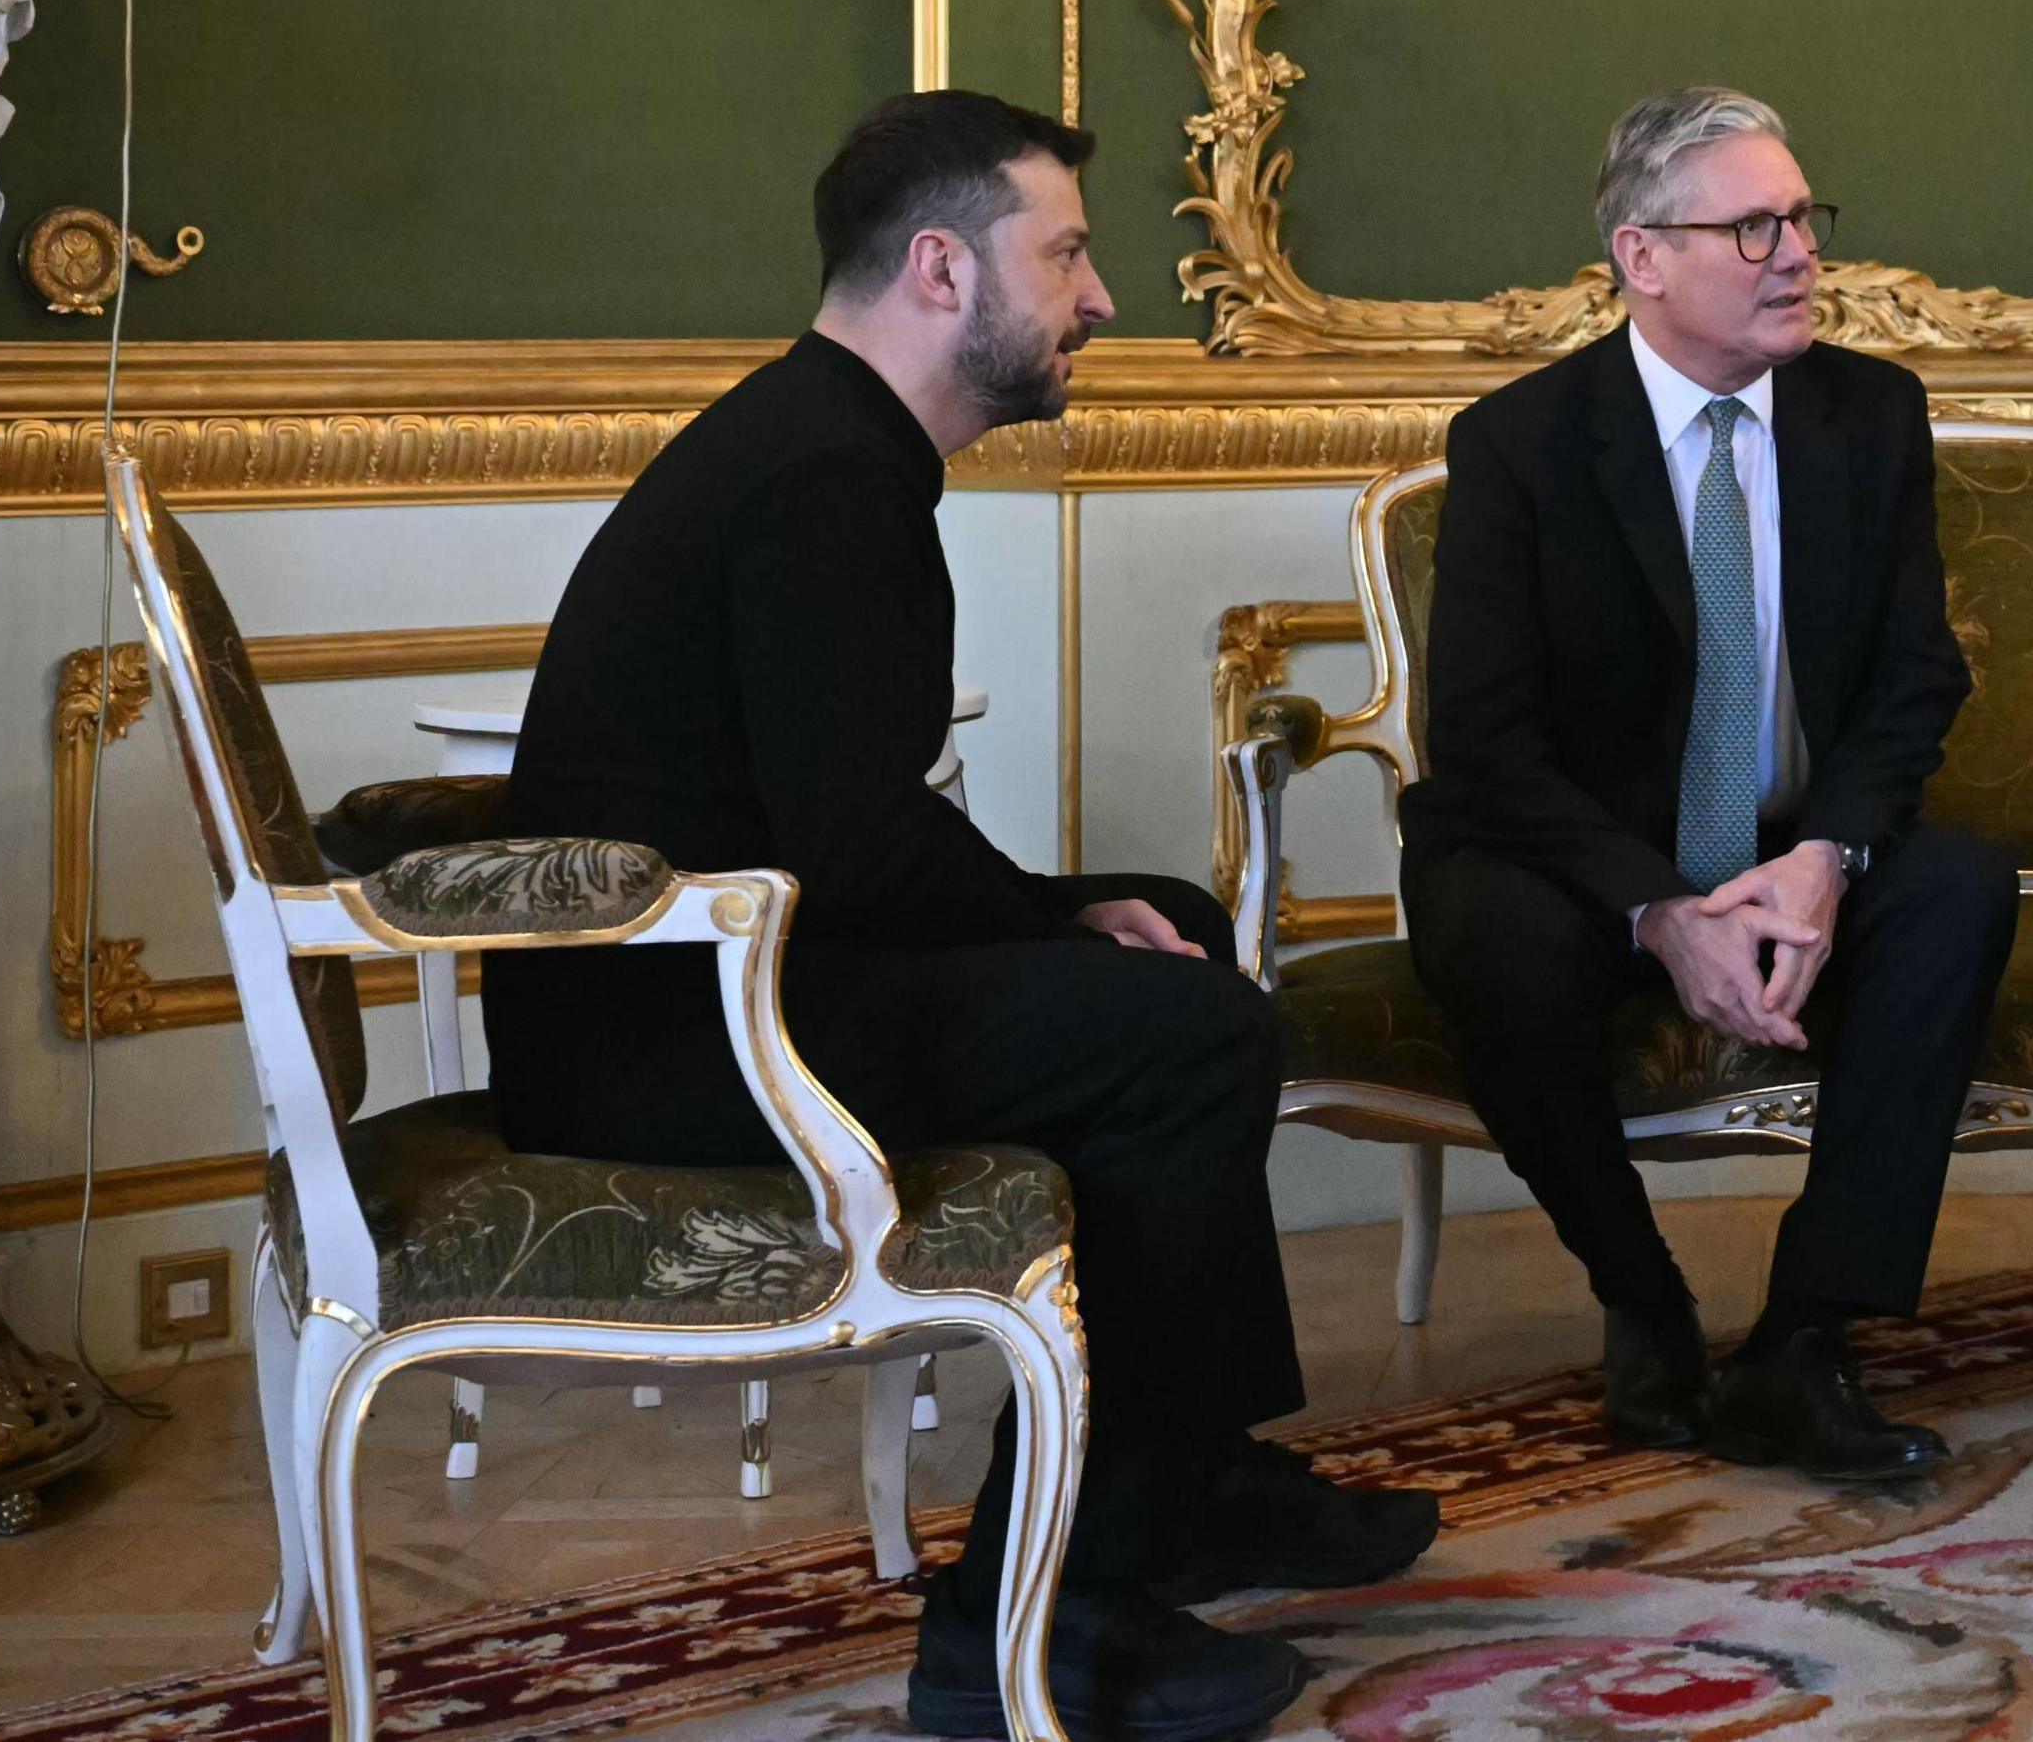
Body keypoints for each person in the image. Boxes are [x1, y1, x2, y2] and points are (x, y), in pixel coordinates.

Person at [487, 91, 1433, 1742]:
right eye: (1064, 252)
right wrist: (1065, 926)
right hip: (677, 1036)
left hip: (715, 983)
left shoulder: (817, 444)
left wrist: (1088, 910)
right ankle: (1033, 1623)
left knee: (1176, 942)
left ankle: (1181, 1476)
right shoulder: (826, 479)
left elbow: (836, 832)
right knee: (1190, 1025)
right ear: (941, 269)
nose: (1100, 297)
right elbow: (854, 846)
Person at [1400, 87, 2020, 1480]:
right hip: (1577, 860)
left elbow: (1918, 679)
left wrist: (1829, 859)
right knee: (1485, 931)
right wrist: (1661, 911)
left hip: (1796, 846)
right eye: (1754, 226)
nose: (1800, 252)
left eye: (1805, 217)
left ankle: (1805, 1340)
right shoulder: (1523, 443)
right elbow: (1489, 740)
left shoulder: (1871, 415)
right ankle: (1643, 1298)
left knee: (1959, 886)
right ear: (1643, 257)